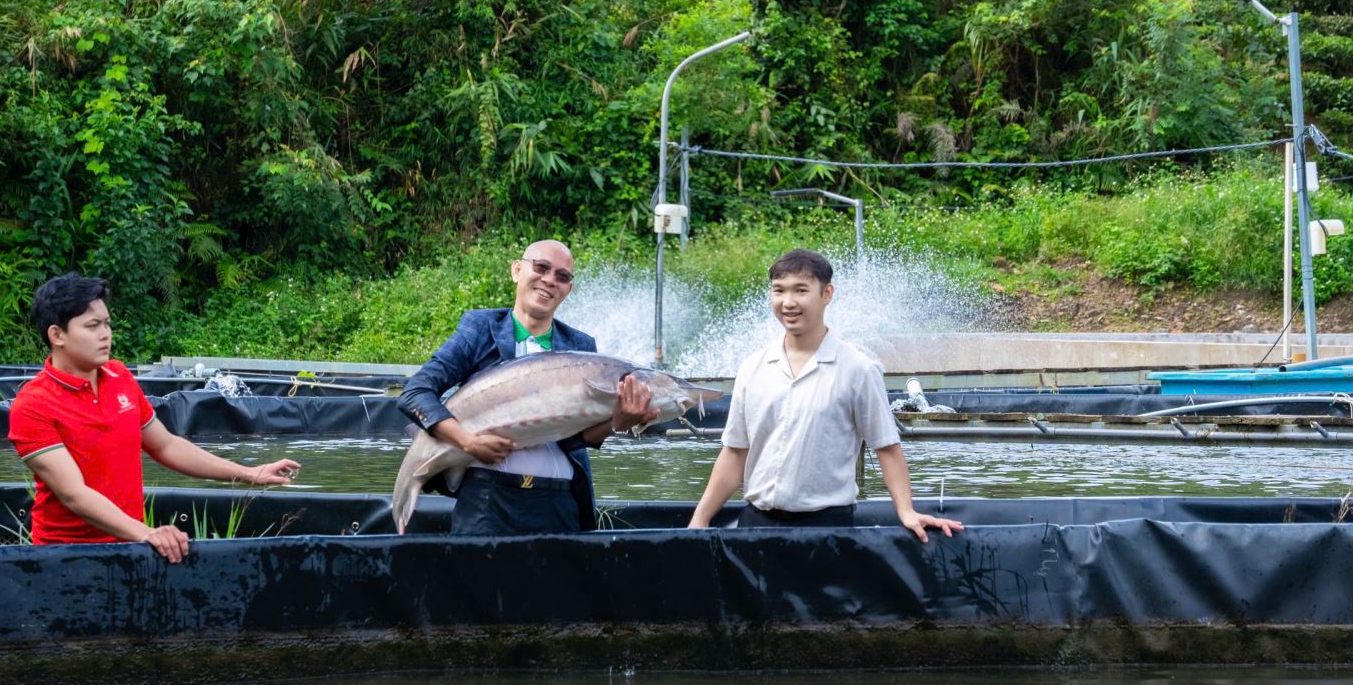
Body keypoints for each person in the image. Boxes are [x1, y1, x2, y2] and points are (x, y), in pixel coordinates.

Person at [7, 274, 300, 562]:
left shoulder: (119, 377)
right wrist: (147, 533)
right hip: (64, 559)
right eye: (92, 326)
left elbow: (165, 445)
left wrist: (250, 473)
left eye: (107, 323)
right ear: (57, 335)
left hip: (130, 550)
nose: (105, 333)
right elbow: (73, 493)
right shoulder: (33, 405)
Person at [687, 249, 962, 542]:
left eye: (801, 290)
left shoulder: (858, 369)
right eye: (779, 291)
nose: (788, 302)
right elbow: (735, 451)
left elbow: (887, 448)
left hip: (827, 529)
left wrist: (906, 511)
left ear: (826, 294)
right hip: (756, 525)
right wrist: (700, 518)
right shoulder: (753, 367)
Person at [398, 240, 658, 536]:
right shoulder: (480, 328)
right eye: (541, 267)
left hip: (558, 500)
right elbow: (415, 393)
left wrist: (616, 422)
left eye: (562, 276)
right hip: (487, 499)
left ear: (568, 290)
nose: (549, 280)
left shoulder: (581, 347)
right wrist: (467, 442)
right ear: (516, 270)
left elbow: (574, 438)